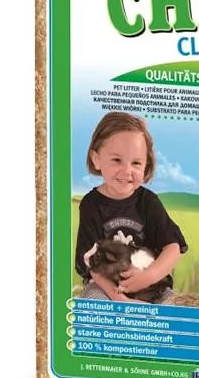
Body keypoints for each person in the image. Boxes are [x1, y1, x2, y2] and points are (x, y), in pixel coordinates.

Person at [74, 112, 187, 302]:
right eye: (116, 160)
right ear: (96, 159)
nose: (127, 171)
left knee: (174, 307)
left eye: (136, 163)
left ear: (146, 166)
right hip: (106, 287)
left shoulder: (148, 202)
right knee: (94, 302)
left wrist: (148, 276)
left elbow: (173, 248)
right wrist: (120, 299)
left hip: (152, 286)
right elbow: (92, 264)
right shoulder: (91, 204)